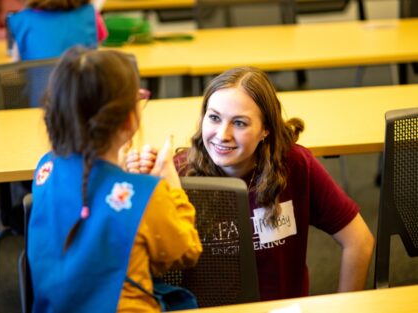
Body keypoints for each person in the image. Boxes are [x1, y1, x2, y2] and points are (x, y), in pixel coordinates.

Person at [127, 67, 374, 301]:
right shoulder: (178, 173)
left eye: (240, 123)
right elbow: (145, 261)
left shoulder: (294, 165)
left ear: (265, 129)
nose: (222, 134)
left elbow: (359, 241)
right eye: (214, 118)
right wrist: (140, 187)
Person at [28, 46, 202, 312]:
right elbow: (185, 250)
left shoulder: (45, 169)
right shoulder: (146, 194)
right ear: (128, 120)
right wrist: (171, 184)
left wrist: (118, 172)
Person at [8, 0, 107, 60]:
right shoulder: (90, 14)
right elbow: (97, 47)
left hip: (40, 93)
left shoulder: (23, 20)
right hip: (82, 92)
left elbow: (16, 67)